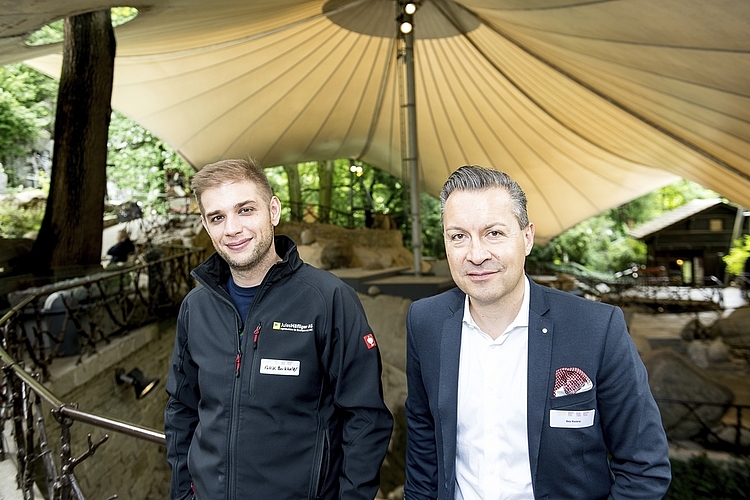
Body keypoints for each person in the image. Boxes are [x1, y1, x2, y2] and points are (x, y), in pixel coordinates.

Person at [404, 165, 671, 499]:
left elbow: (644, 465)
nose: (476, 254)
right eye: (458, 236)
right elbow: (422, 445)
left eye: (494, 233)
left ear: (527, 238)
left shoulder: (595, 329)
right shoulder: (425, 322)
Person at [164, 158, 393, 500]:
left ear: (273, 211)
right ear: (206, 225)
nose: (232, 229)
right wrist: (183, 494)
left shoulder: (328, 299)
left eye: (245, 210)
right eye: (217, 217)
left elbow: (366, 419)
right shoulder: (195, 308)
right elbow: (181, 410)